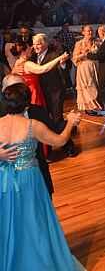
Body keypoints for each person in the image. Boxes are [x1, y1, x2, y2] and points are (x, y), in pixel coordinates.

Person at [0, 83, 83, 270]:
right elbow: (61, 141)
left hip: (3, 180)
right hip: (29, 180)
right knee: (34, 220)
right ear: (27, 104)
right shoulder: (33, 125)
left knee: (8, 221)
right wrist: (70, 122)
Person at [10, 41, 68, 107]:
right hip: (33, 93)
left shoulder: (17, 62)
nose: (32, 49)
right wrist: (59, 58)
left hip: (29, 92)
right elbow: (43, 69)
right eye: (29, 48)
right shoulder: (27, 64)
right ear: (24, 51)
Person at [72, 25, 102, 112]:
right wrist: (84, 54)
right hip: (84, 69)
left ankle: (97, 105)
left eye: (91, 31)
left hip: (95, 67)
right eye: (88, 31)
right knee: (88, 87)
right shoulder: (79, 44)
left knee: (95, 86)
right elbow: (74, 58)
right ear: (83, 32)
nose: (90, 32)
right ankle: (89, 107)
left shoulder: (97, 42)